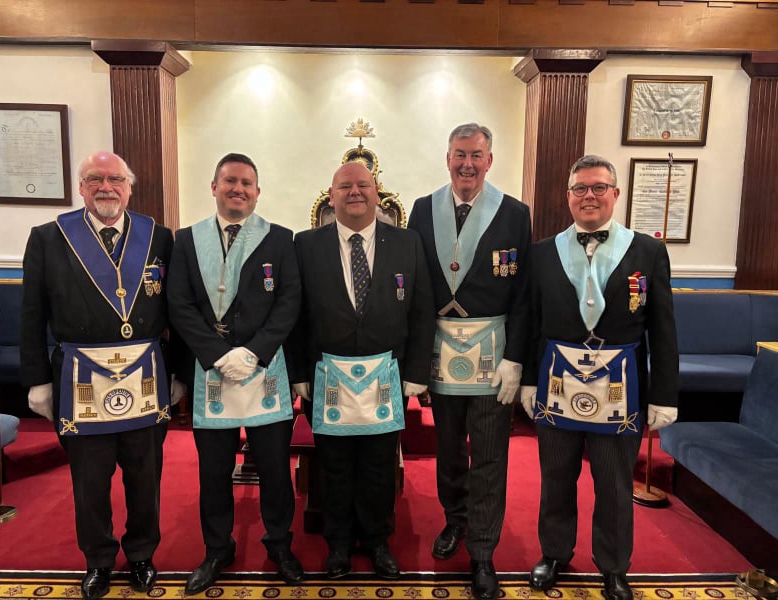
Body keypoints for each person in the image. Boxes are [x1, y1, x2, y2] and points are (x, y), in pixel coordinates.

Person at [20, 150, 177, 600]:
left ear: (130, 187)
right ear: (81, 187)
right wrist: (37, 380)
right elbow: (32, 314)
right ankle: (99, 560)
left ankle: (142, 554)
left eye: (115, 179)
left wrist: (179, 373)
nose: (106, 187)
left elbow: (177, 310)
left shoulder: (158, 236)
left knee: (145, 476)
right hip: (80, 378)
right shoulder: (49, 237)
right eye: (95, 179)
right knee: (89, 480)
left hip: (145, 375)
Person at [521, 155, 679, 600]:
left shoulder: (647, 251)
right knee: (557, 477)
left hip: (620, 387)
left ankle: (613, 566)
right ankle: (554, 553)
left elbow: (663, 329)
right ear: (568, 196)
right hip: (557, 380)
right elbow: (530, 322)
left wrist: (664, 395)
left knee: (613, 483)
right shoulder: (543, 251)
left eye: (598, 187)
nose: (588, 196)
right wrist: (527, 380)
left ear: (615, 193)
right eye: (580, 188)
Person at [290, 161, 435, 580]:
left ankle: (377, 541)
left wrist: (417, 371)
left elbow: (422, 310)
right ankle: (337, 544)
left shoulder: (408, 242)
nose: (355, 192)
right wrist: (299, 373)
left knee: (379, 465)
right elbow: (295, 315)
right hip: (327, 376)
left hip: (386, 376)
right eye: (345, 186)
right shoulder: (306, 244)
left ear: (376, 192)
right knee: (332, 466)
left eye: (363, 185)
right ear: (331, 195)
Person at [167, 153, 304, 594]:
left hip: (265, 369)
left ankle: (279, 543)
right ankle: (216, 548)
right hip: (211, 371)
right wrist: (216, 354)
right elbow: (179, 304)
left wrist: (254, 352)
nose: (238, 189)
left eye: (246, 183)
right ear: (214, 187)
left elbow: (289, 302)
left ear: (257, 192)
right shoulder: (186, 240)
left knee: (275, 469)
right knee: (214, 471)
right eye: (229, 181)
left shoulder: (279, 239)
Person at [407, 123, 531, 600]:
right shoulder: (423, 209)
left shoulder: (515, 213)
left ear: (489, 160)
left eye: (476, 155)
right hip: (440, 351)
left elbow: (523, 294)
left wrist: (516, 358)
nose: (467, 164)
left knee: (490, 453)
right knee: (449, 449)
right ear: (447, 158)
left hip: (492, 353)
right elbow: (415, 290)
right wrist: (415, 360)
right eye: (460, 154)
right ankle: (455, 519)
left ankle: (483, 551)